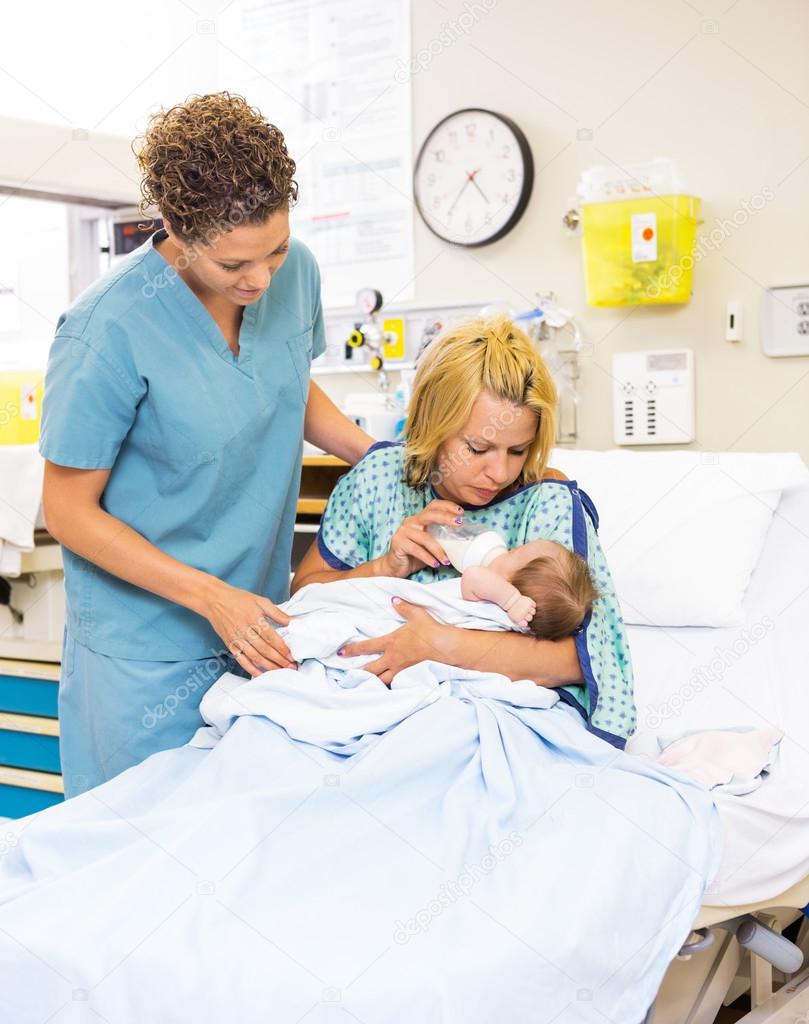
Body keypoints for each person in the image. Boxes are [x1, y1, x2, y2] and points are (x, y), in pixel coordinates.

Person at [39, 92, 374, 797]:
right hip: (146, 650)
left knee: (236, 854)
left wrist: (373, 455)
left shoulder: (295, 274)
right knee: (134, 854)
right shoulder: (107, 329)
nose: (260, 280)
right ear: (173, 232)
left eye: (274, 251)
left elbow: (286, 379)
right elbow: (69, 512)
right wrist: (207, 595)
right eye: (233, 266)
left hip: (257, 627)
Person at [292, 315, 635, 747]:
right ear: (432, 425)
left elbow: (585, 658)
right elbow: (304, 596)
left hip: (479, 719)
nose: (499, 471)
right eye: (477, 448)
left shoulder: (545, 502)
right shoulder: (379, 480)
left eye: (518, 450)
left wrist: (440, 645)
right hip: (353, 705)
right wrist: (386, 566)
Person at [460, 537, 599, 638]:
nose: (510, 548)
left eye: (513, 553)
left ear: (507, 585)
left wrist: (512, 600)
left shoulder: (496, 599)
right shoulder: (521, 631)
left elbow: (472, 574)